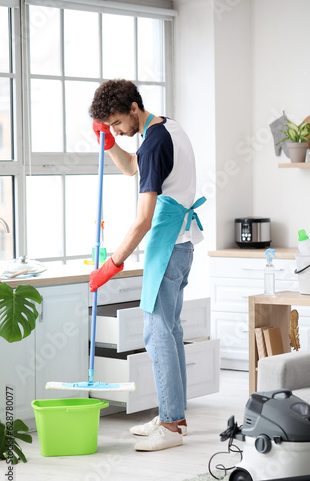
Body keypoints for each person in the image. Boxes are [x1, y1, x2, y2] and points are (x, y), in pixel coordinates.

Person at [89, 79, 205, 452]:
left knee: (157, 333)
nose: (119, 130)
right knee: (169, 331)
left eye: (118, 124)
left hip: (166, 246)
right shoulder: (164, 128)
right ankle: (176, 418)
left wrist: (112, 263)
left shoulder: (155, 142)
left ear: (134, 109)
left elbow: (142, 219)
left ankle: (170, 426)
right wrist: (110, 144)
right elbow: (131, 169)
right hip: (181, 246)